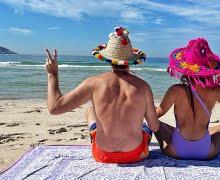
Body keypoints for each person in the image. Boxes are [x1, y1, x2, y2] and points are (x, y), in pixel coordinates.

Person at [45, 27, 160, 164]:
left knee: (90, 111)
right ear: (131, 60)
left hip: (102, 154)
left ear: (108, 59)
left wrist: (53, 74)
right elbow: (154, 127)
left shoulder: (94, 83)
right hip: (135, 154)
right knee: (145, 124)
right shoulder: (143, 86)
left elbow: (54, 107)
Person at [154, 38, 220, 160]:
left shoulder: (175, 90)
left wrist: (145, 107)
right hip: (206, 152)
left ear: (185, 68)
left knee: (157, 124)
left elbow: (156, 114)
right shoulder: (216, 91)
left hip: (177, 151)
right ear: (208, 69)